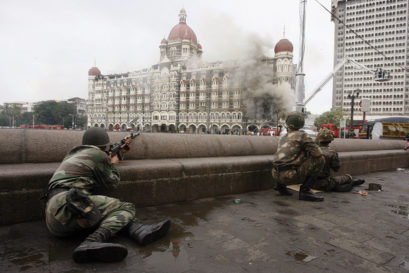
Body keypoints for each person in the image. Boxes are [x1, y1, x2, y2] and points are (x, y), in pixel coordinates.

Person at [44, 127, 171, 263]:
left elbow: (95, 166)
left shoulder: (73, 154)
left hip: (56, 216)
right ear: (104, 144)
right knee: (126, 208)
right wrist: (114, 163)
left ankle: (139, 231)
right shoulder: (98, 154)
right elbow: (112, 182)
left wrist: (119, 153)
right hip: (69, 205)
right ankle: (92, 241)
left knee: (109, 213)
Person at [272, 112, 325, 202]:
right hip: (290, 176)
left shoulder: (283, 136)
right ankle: (305, 191)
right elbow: (318, 154)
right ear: (301, 124)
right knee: (320, 160)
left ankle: (280, 187)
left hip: (275, 174)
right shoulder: (302, 135)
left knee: (285, 159)